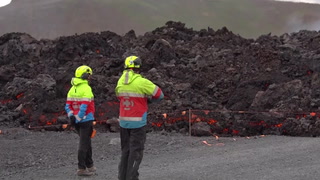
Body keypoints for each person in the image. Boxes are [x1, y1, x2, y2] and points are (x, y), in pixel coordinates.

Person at [115, 55, 164, 180]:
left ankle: (123, 177)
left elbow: (118, 96)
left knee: (125, 152)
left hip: (123, 122)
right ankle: (131, 178)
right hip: (138, 123)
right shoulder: (142, 82)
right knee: (136, 153)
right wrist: (148, 101)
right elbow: (159, 95)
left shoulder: (120, 81)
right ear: (138, 68)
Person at [65, 65, 96, 176]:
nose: (90, 77)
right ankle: (81, 168)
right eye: (89, 75)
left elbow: (67, 106)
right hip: (86, 120)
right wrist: (79, 118)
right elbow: (85, 106)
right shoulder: (86, 88)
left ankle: (90, 165)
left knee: (87, 142)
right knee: (84, 144)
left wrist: (72, 117)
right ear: (85, 75)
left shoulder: (72, 89)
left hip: (77, 122)